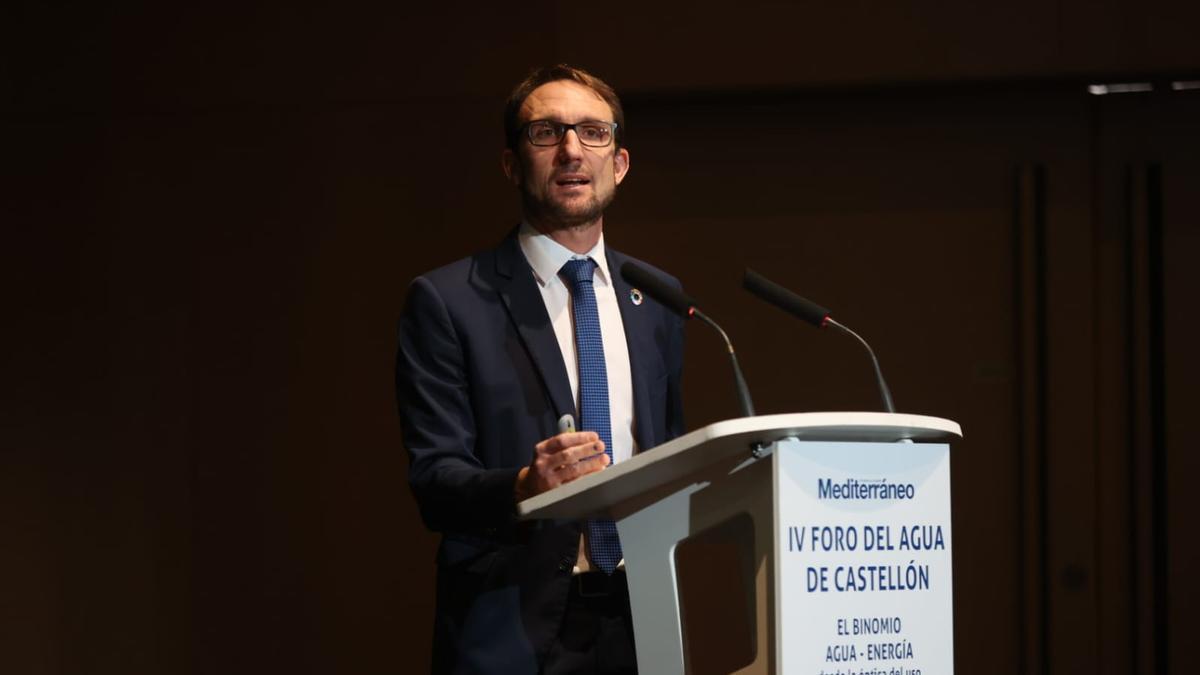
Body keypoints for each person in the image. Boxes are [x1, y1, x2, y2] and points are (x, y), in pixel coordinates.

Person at [395, 64, 686, 674]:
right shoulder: (450, 301)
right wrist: (523, 487)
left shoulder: (656, 299)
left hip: (640, 619)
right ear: (511, 163)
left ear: (621, 163)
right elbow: (434, 480)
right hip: (512, 627)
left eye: (592, 132)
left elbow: (668, 453)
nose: (572, 150)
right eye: (546, 133)